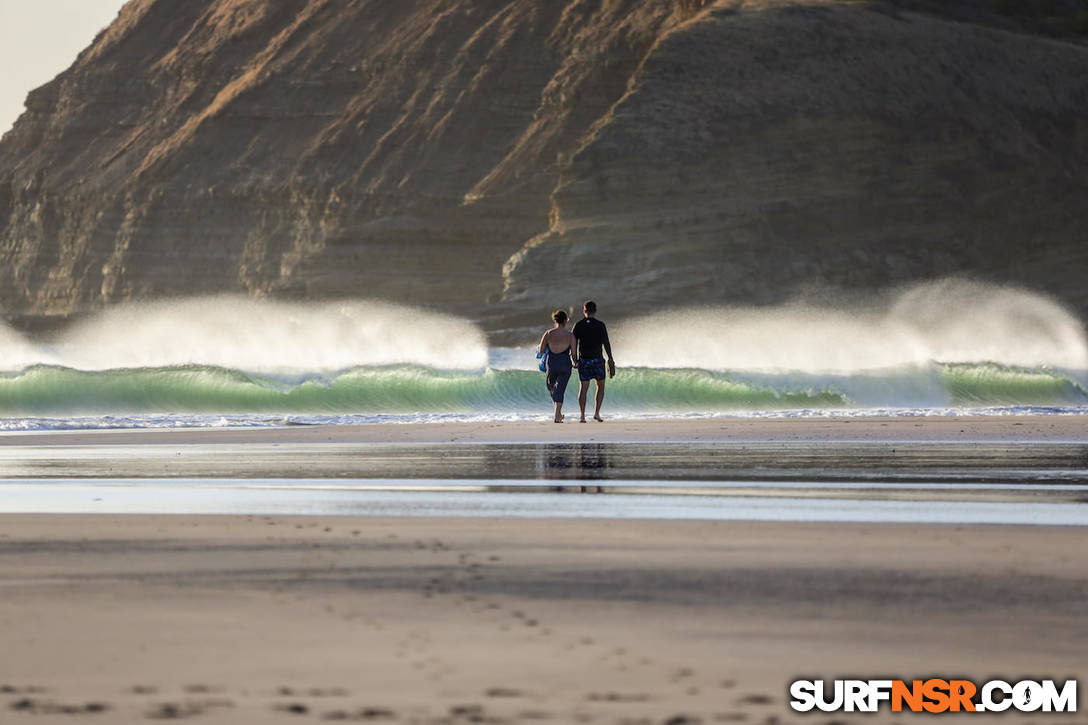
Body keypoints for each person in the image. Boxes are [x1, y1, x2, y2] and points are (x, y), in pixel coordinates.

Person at [572, 300, 615, 422]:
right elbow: (606, 343)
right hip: (597, 361)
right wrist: (610, 358)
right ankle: (596, 413)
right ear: (595, 311)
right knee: (600, 386)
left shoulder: (578, 325)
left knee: (583, 388)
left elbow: (573, 343)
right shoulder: (600, 325)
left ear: (584, 311)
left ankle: (582, 416)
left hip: (584, 361)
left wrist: (574, 359)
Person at [538, 309, 578, 423]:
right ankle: (558, 415)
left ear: (555, 320)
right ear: (566, 320)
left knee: (552, 388)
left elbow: (541, 350)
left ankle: (557, 416)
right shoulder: (570, 335)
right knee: (559, 390)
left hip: (552, 363)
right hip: (565, 363)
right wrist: (576, 363)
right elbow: (574, 353)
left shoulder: (548, 333)